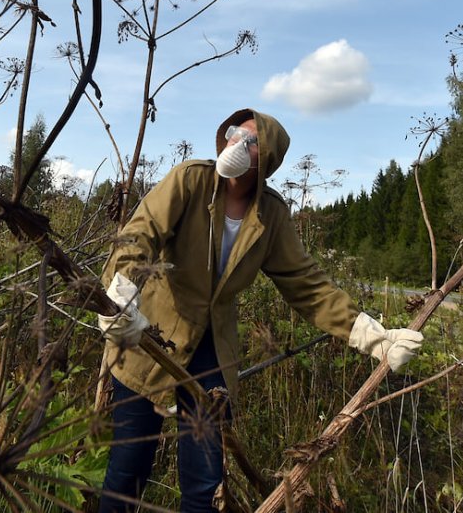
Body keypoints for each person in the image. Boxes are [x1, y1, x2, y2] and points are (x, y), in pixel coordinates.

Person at [96, 108, 425, 512]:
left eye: (250, 140)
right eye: (234, 132)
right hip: (146, 336)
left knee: (205, 484)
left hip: (212, 351)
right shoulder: (190, 180)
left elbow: (306, 285)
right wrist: (119, 299)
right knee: (127, 470)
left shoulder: (271, 214)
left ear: (265, 159)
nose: (237, 141)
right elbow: (139, 234)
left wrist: (373, 336)